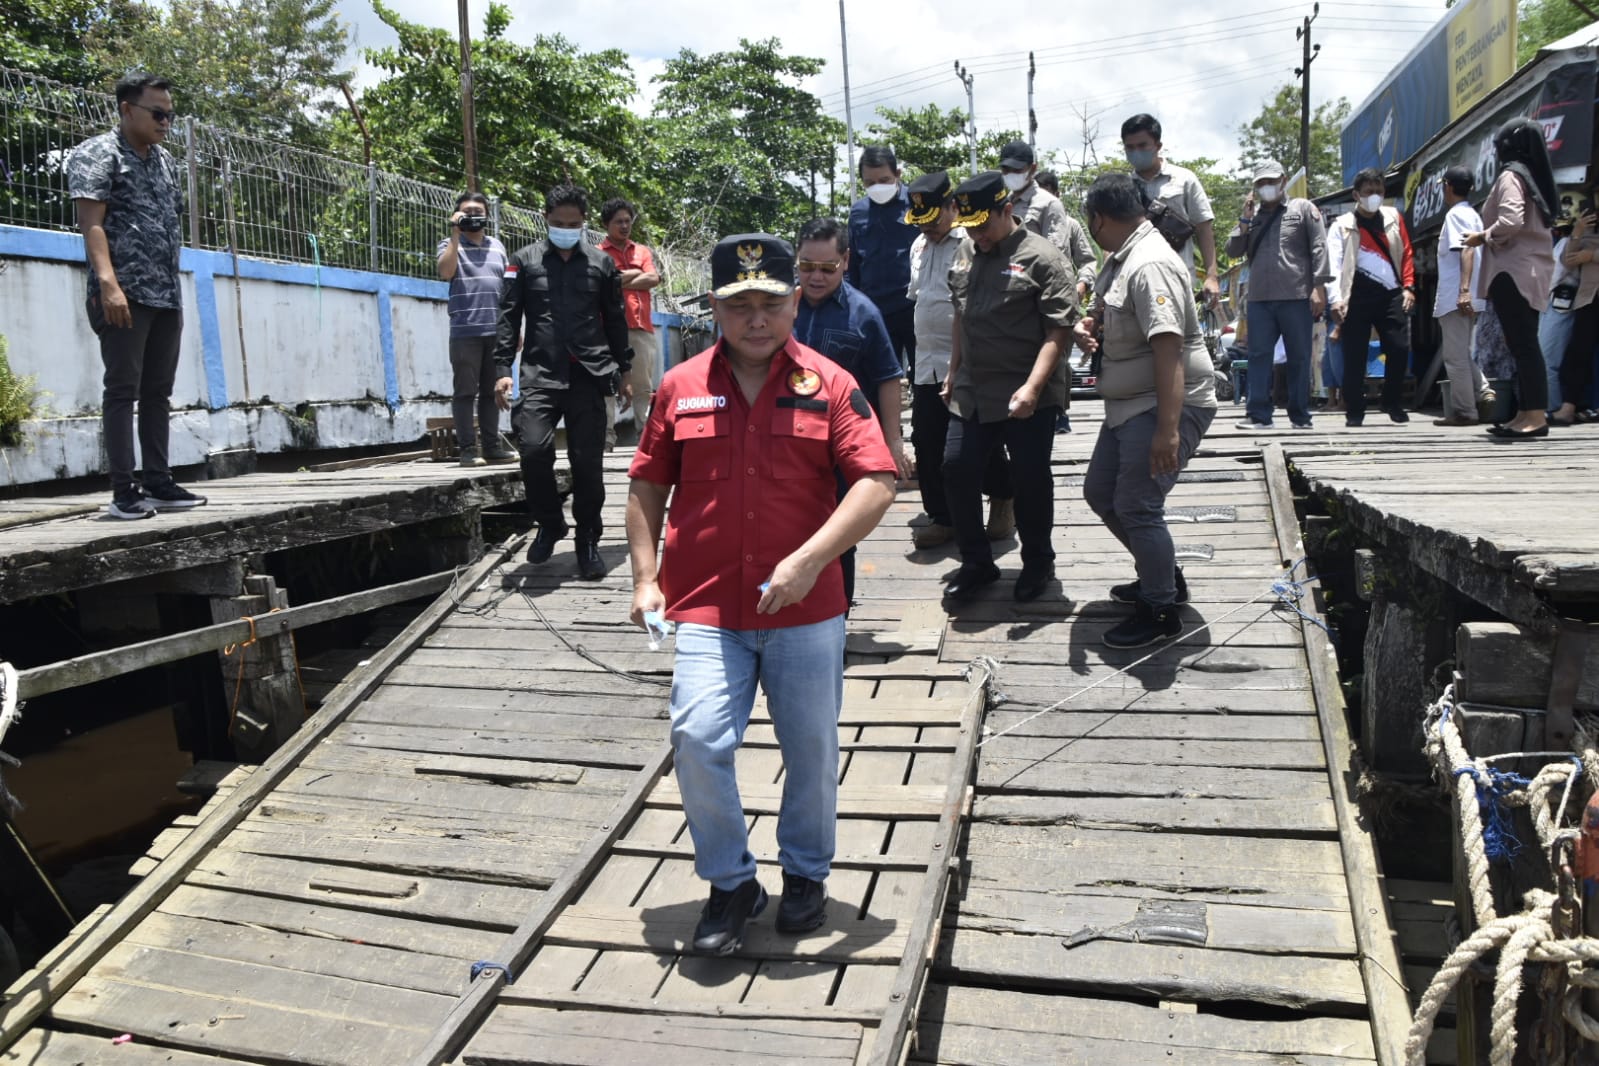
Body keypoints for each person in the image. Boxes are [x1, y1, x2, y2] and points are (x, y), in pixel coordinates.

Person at [626, 233, 896, 956]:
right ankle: (730, 881)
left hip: (805, 608)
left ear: (793, 302)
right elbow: (649, 482)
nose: (754, 319)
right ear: (713, 308)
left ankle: (805, 876)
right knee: (697, 738)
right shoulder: (679, 386)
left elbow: (877, 480)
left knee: (808, 749)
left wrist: (812, 560)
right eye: (738, 305)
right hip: (708, 604)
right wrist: (645, 578)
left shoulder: (832, 383)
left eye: (769, 304)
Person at [1075, 172, 1218, 648]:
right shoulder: (1122, 258)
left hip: (1161, 405)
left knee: (1138, 504)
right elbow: (1124, 323)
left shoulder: (1150, 263)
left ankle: (1160, 610)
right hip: (1128, 405)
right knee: (1101, 492)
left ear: (1098, 218)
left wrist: (1168, 431)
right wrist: (1092, 326)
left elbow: (1169, 349)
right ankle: (1162, 575)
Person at [68, 72, 207, 519]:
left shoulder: (164, 161)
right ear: (128, 109)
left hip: (165, 293)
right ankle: (123, 491)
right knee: (122, 388)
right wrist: (109, 285)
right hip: (124, 293)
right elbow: (92, 224)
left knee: (157, 392)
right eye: (157, 112)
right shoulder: (99, 154)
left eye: (170, 113)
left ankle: (158, 482)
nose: (166, 121)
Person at [943, 171, 1075, 606]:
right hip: (973, 387)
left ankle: (1038, 560)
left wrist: (1033, 388)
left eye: (984, 225)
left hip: (1026, 388)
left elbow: (1059, 331)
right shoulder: (965, 251)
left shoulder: (1044, 258)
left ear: (1008, 210)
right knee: (957, 468)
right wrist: (952, 370)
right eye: (970, 226)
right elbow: (961, 315)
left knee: (1030, 477)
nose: (977, 235)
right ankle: (977, 562)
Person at [494, 184, 633, 578]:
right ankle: (551, 524)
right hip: (540, 373)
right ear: (545, 219)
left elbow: (616, 320)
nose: (566, 230)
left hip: (590, 375)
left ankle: (587, 540)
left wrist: (624, 372)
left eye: (573, 224)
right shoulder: (524, 262)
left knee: (586, 463)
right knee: (534, 450)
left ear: (584, 223)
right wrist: (503, 371)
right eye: (558, 224)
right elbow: (508, 318)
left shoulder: (602, 265)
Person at [793, 217, 908, 605]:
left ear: (845, 260)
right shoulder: (778, 307)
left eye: (827, 268)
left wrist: (893, 441)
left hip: (841, 446)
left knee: (839, 535)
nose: (816, 277)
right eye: (807, 266)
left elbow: (888, 377)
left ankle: (835, 618)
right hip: (787, 442)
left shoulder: (864, 314)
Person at [902, 171, 1014, 550]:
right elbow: (918, 299)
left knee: (976, 441)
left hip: (965, 361)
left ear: (953, 207)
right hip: (925, 361)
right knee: (926, 439)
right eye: (922, 222)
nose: (929, 229)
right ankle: (942, 517)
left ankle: (1003, 495)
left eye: (934, 220)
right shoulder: (919, 247)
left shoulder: (972, 243)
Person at [1463, 117, 1557, 438]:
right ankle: (1525, 413)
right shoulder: (1532, 177)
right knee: (1521, 345)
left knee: (1524, 346)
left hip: (1511, 271)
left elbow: (1511, 219)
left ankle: (1535, 417)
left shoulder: (1510, 176)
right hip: (1530, 271)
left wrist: (1483, 236)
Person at [999, 140, 1098, 434]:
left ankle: (1056, 413)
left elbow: (1055, 255)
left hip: (1041, 295)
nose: (1010, 174)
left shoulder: (1048, 204)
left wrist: (1075, 291)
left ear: (1032, 169)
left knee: (1054, 360)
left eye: (1016, 169)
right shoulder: (1000, 200)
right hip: (1006, 299)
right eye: (1005, 169)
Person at [1225, 160, 1330, 430]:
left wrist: (1318, 287)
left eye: (1271, 181)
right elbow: (1233, 251)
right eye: (1261, 183)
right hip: (1260, 298)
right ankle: (1258, 415)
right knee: (1258, 356)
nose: (1266, 187)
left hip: (1296, 295)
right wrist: (1244, 219)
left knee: (1299, 356)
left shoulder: (1303, 209)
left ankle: (1300, 415)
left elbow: (1319, 247)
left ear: (1283, 180)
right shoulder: (1253, 216)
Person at [1328, 168, 1416, 426]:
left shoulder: (1393, 217)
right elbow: (1333, 264)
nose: (1374, 196)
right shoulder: (1342, 225)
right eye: (1368, 192)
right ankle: (1355, 409)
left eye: (1378, 191)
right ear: (1356, 195)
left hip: (1391, 295)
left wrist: (1409, 287)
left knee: (1399, 348)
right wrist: (1336, 298)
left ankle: (1392, 402)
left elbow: (1408, 253)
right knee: (1354, 355)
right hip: (1354, 298)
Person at [437, 191, 517, 466]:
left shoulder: (498, 246)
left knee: (492, 392)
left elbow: (507, 290)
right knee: (464, 393)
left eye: (477, 212)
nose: (473, 216)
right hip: (465, 331)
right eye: (466, 212)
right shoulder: (449, 244)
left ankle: (493, 447)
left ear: (486, 216)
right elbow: (446, 272)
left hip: (495, 331)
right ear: (458, 215)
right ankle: (468, 450)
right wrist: (456, 233)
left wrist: (513, 328)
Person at [1121, 113, 1220, 308]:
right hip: (1135, 282)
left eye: (1142, 146)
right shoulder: (1123, 187)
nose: (1136, 152)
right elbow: (1113, 237)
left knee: (1178, 338)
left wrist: (1211, 276)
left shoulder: (1184, 179)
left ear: (1158, 146)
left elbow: (1203, 227)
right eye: (1130, 147)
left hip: (1177, 279)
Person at [848, 146, 920, 375]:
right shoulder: (858, 212)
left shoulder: (917, 203)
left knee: (923, 379)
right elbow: (853, 265)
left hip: (914, 308)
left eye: (884, 179)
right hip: (875, 310)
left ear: (898, 174)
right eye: (870, 183)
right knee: (878, 377)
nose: (877, 187)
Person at [599, 197, 662, 447]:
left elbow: (653, 279)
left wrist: (619, 279)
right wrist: (637, 275)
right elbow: (602, 284)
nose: (625, 226)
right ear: (606, 224)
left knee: (643, 385)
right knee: (606, 383)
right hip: (607, 329)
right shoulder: (597, 253)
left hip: (640, 328)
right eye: (618, 222)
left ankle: (644, 437)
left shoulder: (642, 251)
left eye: (628, 221)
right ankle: (606, 437)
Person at [1431, 166, 1491, 426]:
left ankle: (1466, 411)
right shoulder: (1474, 215)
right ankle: (1484, 390)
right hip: (1473, 293)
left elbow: (1465, 249)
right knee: (1463, 353)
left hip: (1458, 295)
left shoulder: (1455, 215)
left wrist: (1463, 290)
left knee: (1454, 358)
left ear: (1447, 186)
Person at [1550, 201, 1599, 425]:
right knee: (1578, 353)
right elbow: (1567, 261)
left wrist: (1592, 256)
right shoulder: (1588, 227)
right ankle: (1568, 407)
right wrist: (1578, 233)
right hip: (1588, 298)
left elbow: (1586, 257)